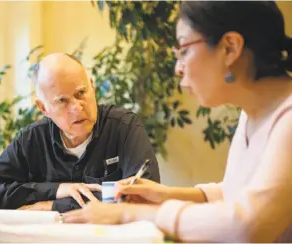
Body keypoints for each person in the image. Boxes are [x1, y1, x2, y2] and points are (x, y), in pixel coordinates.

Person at [62, 1, 292, 242]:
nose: (178, 69)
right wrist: (166, 194)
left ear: (230, 48)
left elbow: (247, 226)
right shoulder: (254, 113)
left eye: (183, 50)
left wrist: (130, 213)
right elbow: (241, 194)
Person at [0, 53, 160, 213]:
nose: (77, 108)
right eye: (62, 101)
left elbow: (145, 197)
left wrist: (50, 205)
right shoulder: (32, 139)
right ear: (43, 108)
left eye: (80, 93)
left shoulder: (124, 126)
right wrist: (57, 189)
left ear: (92, 87)